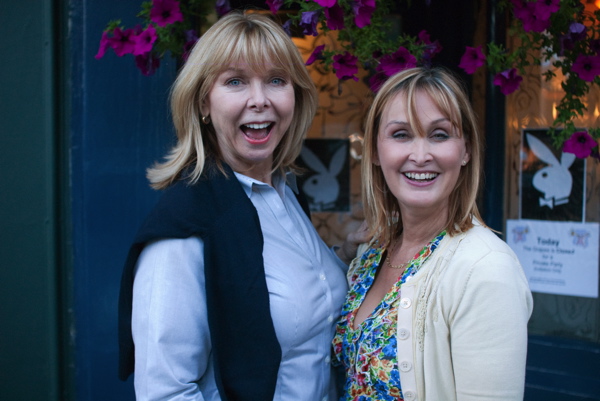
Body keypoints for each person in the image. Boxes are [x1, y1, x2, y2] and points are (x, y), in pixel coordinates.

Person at [117, 11, 368, 401]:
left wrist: (346, 256)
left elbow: (296, 296)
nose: (260, 100)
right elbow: (166, 392)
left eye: (276, 80)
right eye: (235, 81)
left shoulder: (283, 191)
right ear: (203, 101)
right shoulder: (187, 226)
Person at [332, 67, 533, 401]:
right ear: (376, 151)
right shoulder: (372, 250)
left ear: (466, 150)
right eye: (401, 135)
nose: (421, 156)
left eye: (439, 135)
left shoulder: (486, 269)